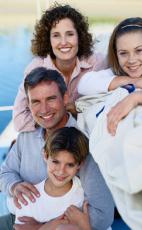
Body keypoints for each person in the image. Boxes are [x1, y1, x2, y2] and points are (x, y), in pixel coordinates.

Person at [0, 67, 114, 230]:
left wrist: (43, 227)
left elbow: (103, 216)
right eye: (36, 102)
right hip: (20, 218)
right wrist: (14, 186)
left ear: (65, 97)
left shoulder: (84, 142)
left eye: (51, 99)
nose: (44, 109)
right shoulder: (27, 136)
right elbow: (5, 173)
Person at [13, 2, 107, 133]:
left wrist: (77, 110)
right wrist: (56, 115)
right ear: (48, 39)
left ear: (79, 36)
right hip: (51, 138)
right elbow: (19, 121)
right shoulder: (35, 68)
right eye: (56, 35)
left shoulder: (97, 63)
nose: (63, 42)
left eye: (70, 34)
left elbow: (107, 108)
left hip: (87, 134)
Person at [77, 17, 142, 135]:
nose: (131, 60)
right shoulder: (123, 72)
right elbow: (84, 84)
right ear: (116, 54)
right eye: (123, 53)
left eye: (138, 50)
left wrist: (134, 98)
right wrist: (132, 81)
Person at [7, 127, 91, 230]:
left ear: (79, 164)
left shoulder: (86, 194)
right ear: (45, 156)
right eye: (56, 162)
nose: (61, 171)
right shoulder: (27, 199)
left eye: (70, 165)